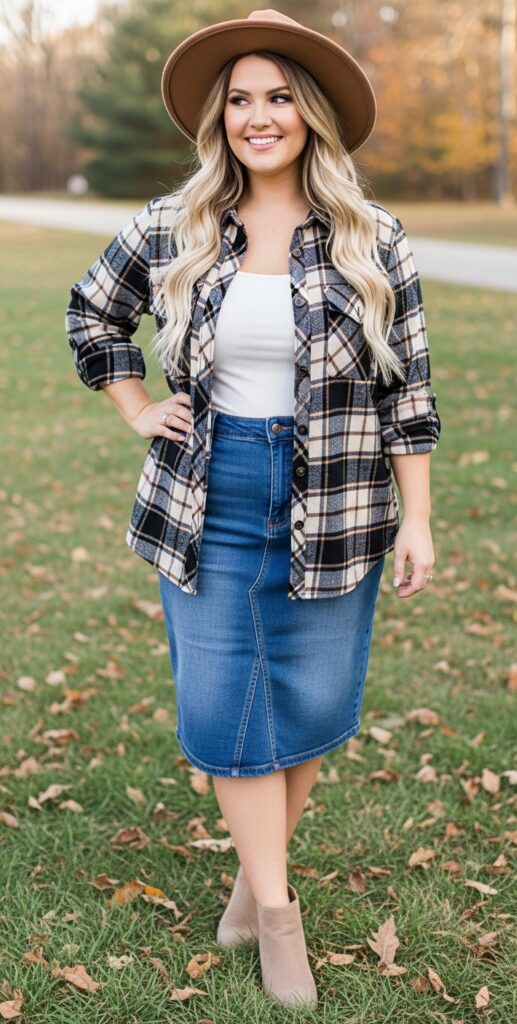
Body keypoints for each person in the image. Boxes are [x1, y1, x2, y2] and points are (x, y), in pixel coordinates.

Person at [65, 9, 442, 1010]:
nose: (257, 116)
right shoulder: (172, 223)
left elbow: (409, 394)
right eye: (239, 99)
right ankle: (279, 919)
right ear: (218, 117)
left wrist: (420, 518)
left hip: (341, 494)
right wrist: (137, 404)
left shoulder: (372, 238)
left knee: (313, 701)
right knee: (225, 702)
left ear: (309, 114)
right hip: (212, 489)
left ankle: (249, 878)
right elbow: (92, 311)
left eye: (278, 97)